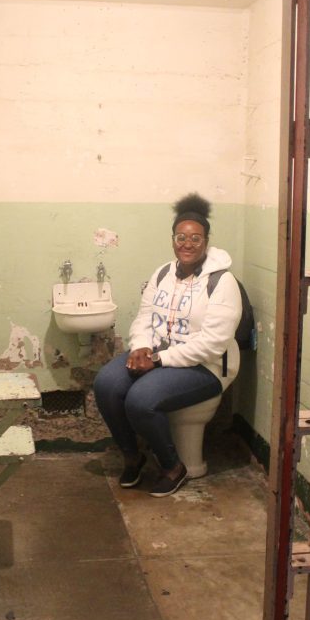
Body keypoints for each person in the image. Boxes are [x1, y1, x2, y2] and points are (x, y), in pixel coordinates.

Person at [93, 193, 243, 497]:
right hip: (159, 356)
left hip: (206, 366)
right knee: (106, 384)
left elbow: (212, 345)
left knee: (140, 399)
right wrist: (140, 347)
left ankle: (174, 466)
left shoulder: (222, 283)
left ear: (206, 241)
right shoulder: (163, 273)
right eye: (181, 237)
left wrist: (159, 361)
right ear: (173, 239)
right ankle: (133, 455)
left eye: (195, 239)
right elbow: (145, 316)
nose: (187, 244)